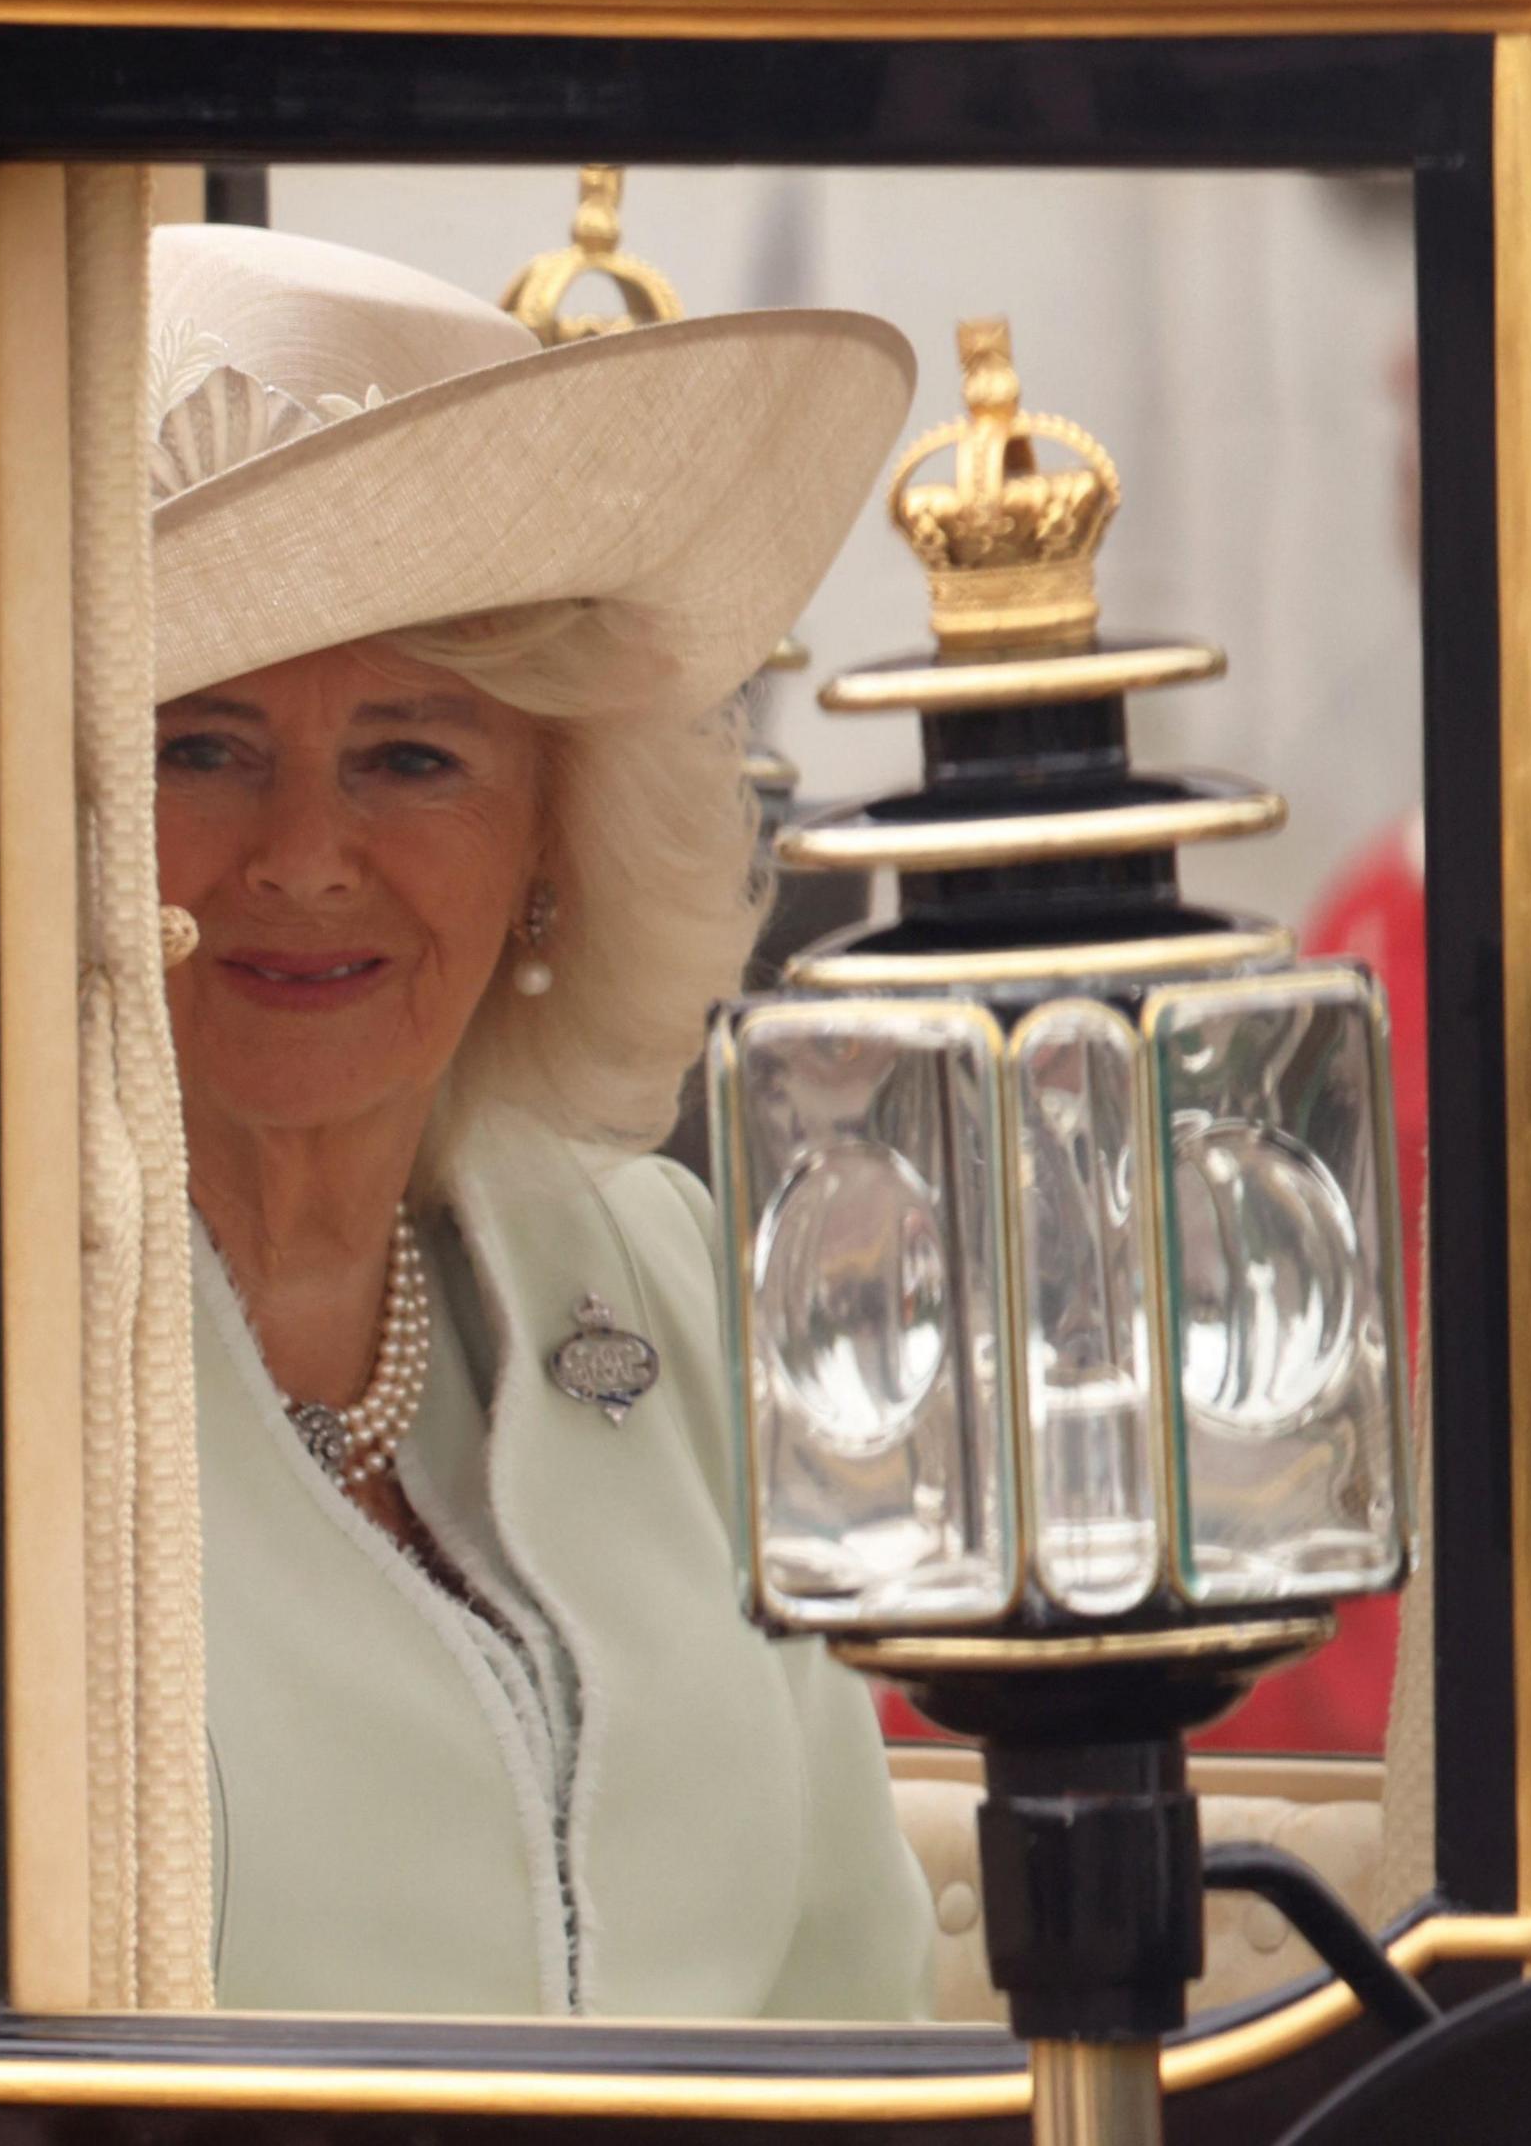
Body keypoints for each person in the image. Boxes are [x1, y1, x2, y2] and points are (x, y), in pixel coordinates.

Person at [146, 226, 933, 2018]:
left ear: (552, 847)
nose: (302, 856)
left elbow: (852, 1988)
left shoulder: (654, 1266)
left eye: (412, 756)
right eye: (203, 744)